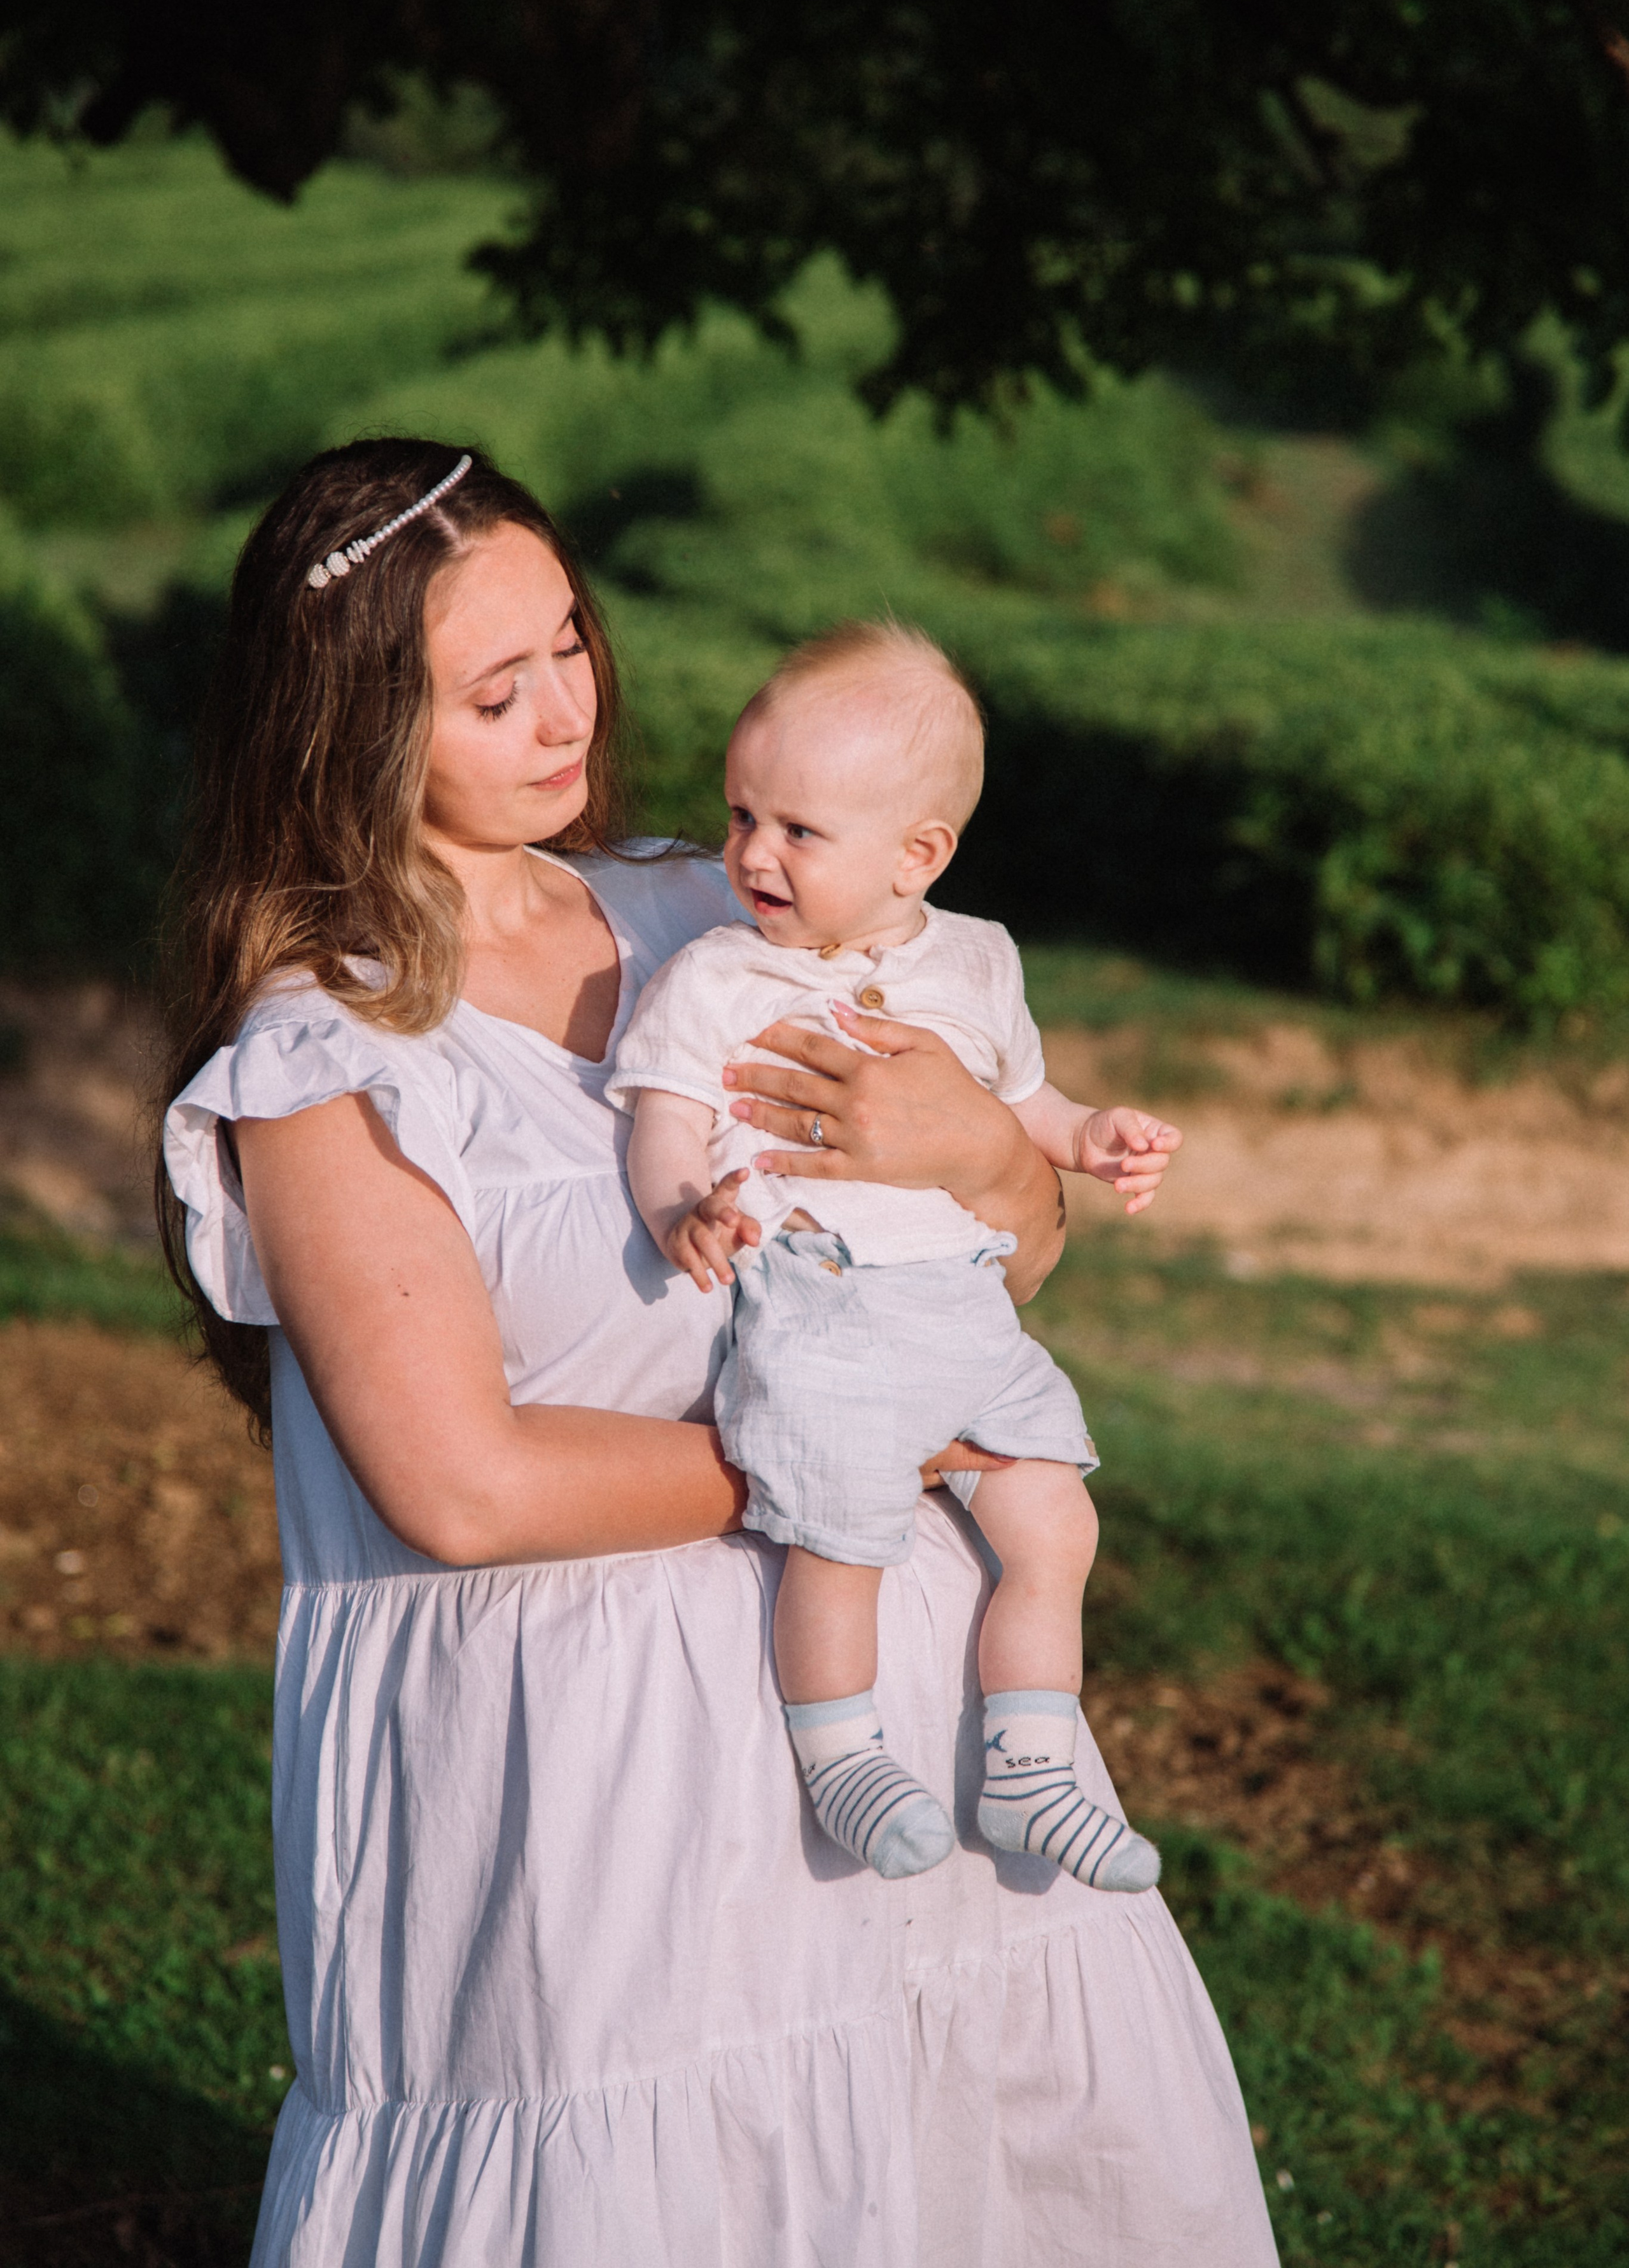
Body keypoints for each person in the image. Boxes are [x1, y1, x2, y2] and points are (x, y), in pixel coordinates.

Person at [159, 435, 1278, 2265]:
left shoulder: (729, 909)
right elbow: (463, 1489)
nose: (566, 715)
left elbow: (996, 1255)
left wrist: (988, 1153)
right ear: (342, 736)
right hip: (587, 1785)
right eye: (493, 691)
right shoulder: (333, 1055)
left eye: (574, 646)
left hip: (888, 1713)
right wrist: (869, 1452)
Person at [613, 619, 1178, 1894]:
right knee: (840, 1531)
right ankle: (842, 1753)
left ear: (917, 854)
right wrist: (679, 1214)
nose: (751, 852)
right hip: (824, 1303)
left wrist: (1092, 1136)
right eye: (740, 812)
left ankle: (1031, 1766)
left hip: (967, 1307)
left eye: (798, 831)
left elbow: (1018, 1108)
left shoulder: (974, 959)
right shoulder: (715, 980)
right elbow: (661, 1124)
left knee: (1054, 1518)